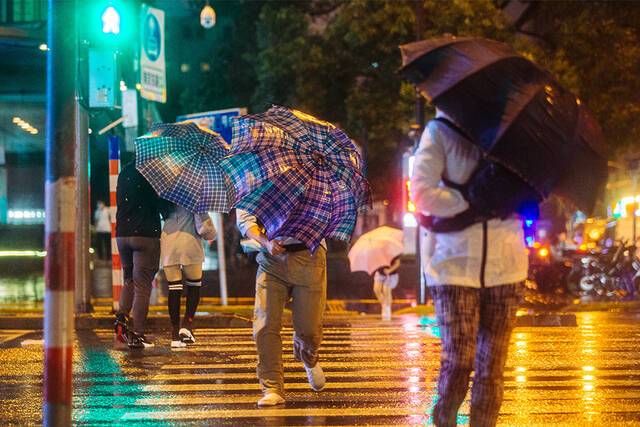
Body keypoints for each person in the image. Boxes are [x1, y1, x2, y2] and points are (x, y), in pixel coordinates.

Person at [411, 110, 528, 427]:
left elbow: (532, 193)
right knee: (460, 358)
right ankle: (444, 416)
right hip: (452, 265)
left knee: (491, 368)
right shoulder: (440, 130)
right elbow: (421, 193)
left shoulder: (517, 135)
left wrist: (517, 192)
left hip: (508, 266)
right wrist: (472, 200)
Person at [237, 209, 327, 407]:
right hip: (270, 260)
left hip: (310, 256)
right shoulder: (254, 179)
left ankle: (308, 357)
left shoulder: (314, 181)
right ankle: (272, 387)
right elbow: (244, 219)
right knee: (265, 323)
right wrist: (265, 242)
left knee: (309, 328)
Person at [113, 162, 170, 349]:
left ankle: (121, 322)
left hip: (122, 234)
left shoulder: (124, 172)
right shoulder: (154, 174)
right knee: (143, 286)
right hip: (145, 235)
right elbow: (165, 209)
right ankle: (138, 334)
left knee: (129, 279)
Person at [161, 204, 216, 348]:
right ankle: (187, 324)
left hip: (168, 243)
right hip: (189, 243)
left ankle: (174, 334)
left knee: (174, 288)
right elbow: (205, 228)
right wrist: (212, 233)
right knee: (194, 286)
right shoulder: (195, 198)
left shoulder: (165, 195)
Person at [373, 256, 400, 321]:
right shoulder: (377, 252)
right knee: (376, 290)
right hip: (380, 273)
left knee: (386, 290)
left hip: (391, 275)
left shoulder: (392, 251)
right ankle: (384, 305)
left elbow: (397, 263)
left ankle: (387, 309)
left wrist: (389, 270)